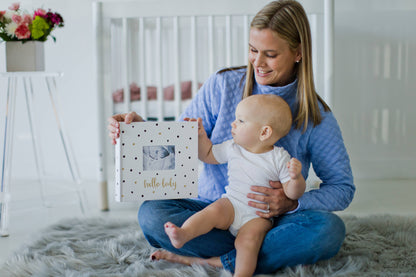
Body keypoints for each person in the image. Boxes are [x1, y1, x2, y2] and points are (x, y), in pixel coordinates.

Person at [107, 0, 355, 274]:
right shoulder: (223, 84)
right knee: (152, 214)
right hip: (214, 211)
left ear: (298, 53)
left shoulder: (315, 115)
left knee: (328, 230)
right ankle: (248, 255)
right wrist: (141, 129)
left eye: (270, 54)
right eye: (252, 50)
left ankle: (220, 259)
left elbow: (342, 188)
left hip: (269, 223)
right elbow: (181, 143)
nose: (257, 63)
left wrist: (293, 202)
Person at [164, 94, 306, 277]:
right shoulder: (233, 147)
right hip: (231, 204)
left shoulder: (279, 157)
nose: (233, 124)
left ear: (264, 133)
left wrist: (296, 179)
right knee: (211, 212)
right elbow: (207, 154)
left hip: (257, 217)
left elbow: (292, 193)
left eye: (240, 120)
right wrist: (200, 137)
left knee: (248, 242)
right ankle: (184, 234)